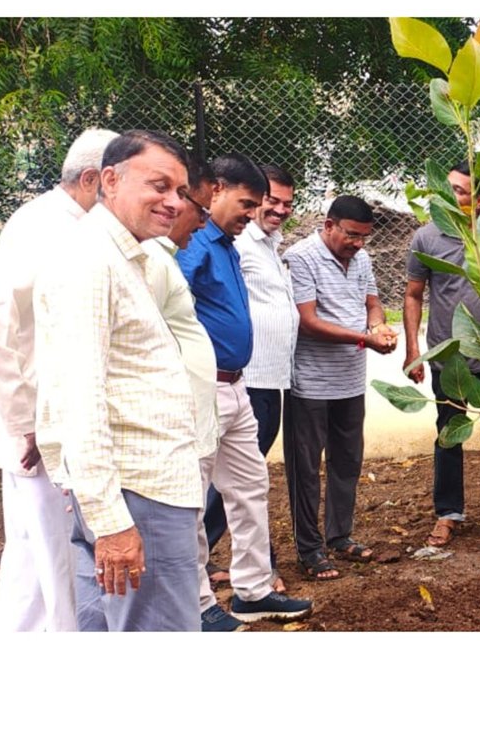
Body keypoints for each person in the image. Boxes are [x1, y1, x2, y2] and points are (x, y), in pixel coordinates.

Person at [33, 130, 203, 631]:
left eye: (180, 191)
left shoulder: (126, 256)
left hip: (135, 490)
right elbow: (80, 397)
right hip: (137, 494)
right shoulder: (91, 261)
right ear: (110, 179)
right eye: (159, 186)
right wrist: (112, 524)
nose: (174, 203)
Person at [0, 126, 115, 631]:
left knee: (33, 550)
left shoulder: (71, 223)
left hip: (47, 417)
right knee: (56, 552)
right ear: (94, 179)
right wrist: (25, 422)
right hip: (39, 424)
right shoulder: (45, 225)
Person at [178, 155, 310, 627]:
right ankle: (196, 604)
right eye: (246, 203)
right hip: (204, 390)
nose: (251, 214)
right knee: (192, 497)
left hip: (239, 385)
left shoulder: (229, 245)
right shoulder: (193, 244)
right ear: (216, 190)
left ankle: (252, 591)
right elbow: (173, 306)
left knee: (251, 487)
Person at [402, 166, 480, 550]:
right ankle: (448, 514)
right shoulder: (426, 237)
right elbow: (413, 295)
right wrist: (413, 349)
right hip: (449, 358)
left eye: (460, 191)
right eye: (448, 189)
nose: (449, 197)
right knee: (448, 435)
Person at [284, 195, 399, 581]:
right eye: (351, 235)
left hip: (351, 380)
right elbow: (307, 321)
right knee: (306, 468)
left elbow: (373, 303)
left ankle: (339, 536)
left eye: (364, 237)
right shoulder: (301, 257)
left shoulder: (362, 258)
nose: (358, 244)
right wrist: (364, 339)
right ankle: (310, 549)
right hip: (312, 383)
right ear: (329, 224)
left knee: (347, 461)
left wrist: (378, 325)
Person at [133, 169, 224, 631]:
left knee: (192, 518)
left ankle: (199, 604)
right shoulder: (148, 262)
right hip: (170, 428)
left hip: (195, 420)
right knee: (178, 531)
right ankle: (194, 609)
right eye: (200, 209)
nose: (202, 222)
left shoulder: (164, 258)